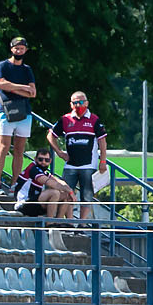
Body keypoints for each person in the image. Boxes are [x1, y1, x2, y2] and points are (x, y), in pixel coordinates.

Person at [52, 91, 104, 219]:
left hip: (88, 165)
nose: (78, 105)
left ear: (86, 103)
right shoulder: (65, 119)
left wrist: (103, 161)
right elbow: (50, 135)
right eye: (75, 102)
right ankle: (67, 222)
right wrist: (59, 152)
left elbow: (102, 141)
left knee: (86, 196)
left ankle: (82, 224)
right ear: (71, 104)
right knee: (66, 193)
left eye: (81, 102)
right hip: (70, 165)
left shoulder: (94, 119)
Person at [0, 37, 37, 184]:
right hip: (6, 110)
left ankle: (14, 183)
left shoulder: (27, 69)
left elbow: (33, 93)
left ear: (26, 50)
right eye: (16, 48)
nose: (19, 51)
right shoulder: (3, 65)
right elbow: (0, 84)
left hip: (24, 112)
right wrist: (23, 87)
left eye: (22, 48)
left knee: (19, 150)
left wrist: (12, 87)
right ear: (11, 49)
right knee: (3, 147)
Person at [7, 146, 75, 225]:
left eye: (46, 160)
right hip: (23, 204)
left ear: (50, 161)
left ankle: (63, 223)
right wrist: (69, 190)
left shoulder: (43, 171)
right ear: (35, 159)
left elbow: (60, 181)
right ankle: (50, 224)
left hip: (35, 202)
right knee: (54, 193)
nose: (43, 162)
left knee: (66, 195)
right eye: (40, 159)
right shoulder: (33, 169)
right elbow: (50, 182)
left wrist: (70, 192)